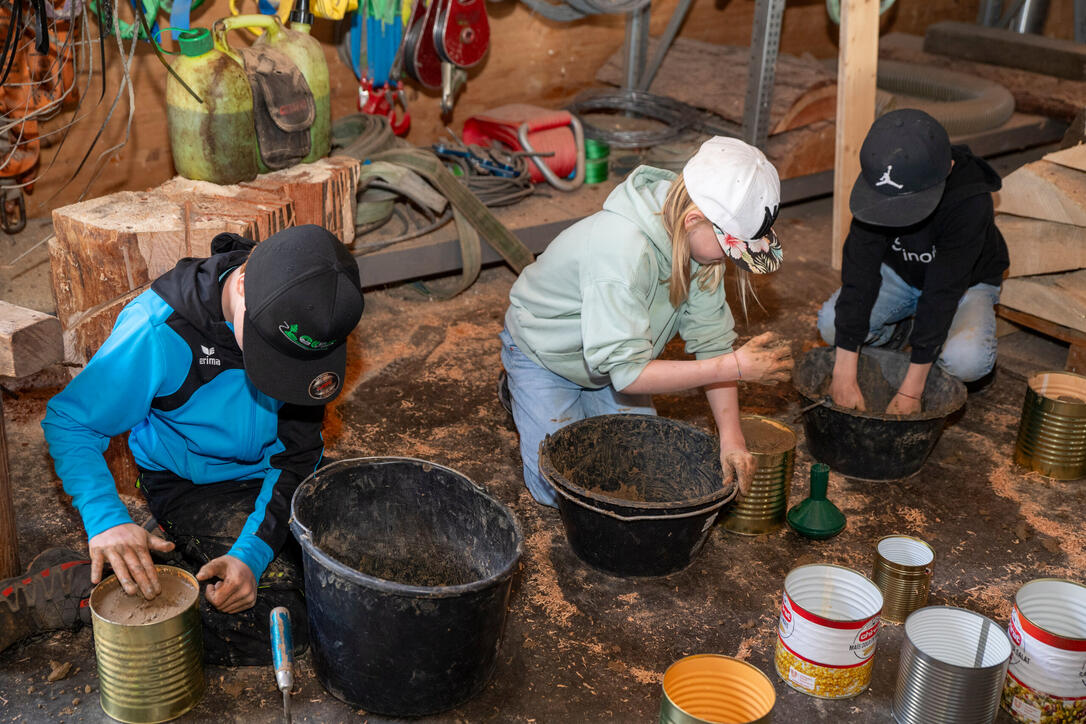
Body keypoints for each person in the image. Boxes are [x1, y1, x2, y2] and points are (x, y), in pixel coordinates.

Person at [1, 225, 364, 666]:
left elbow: (298, 456)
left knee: (347, 593)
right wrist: (104, 517)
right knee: (277, 622)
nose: (281, 375)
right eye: (273, 353)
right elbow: (72, 420)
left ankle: (157, 564)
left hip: (273, 481)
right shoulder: (159, 330)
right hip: (191, 484)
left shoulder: (302, 314)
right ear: (245, 283)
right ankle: (84, 589)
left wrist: (249, 557)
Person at [500, 136, 794, 508]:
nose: (728, 260)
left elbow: (712, 341)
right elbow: (631, 374)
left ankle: (564, 400)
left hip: (616, 360)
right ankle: (522, 387)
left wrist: (731, 437)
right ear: (694, 220)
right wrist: (735, 366)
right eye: (729, 248)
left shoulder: (702, 253)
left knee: (638, 467)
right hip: (545, 354)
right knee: (563, 488)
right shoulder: (621, 250)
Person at [816, 109, 1009, 416]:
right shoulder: (882, 176)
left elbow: (943, 292)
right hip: (901, 275)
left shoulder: (970, 201)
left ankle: (929, 351)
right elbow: (860, 274)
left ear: (948, 169)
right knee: (831, 326)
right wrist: (843, 373)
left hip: (965, 285)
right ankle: (900, 333)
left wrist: (910, 391)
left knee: (967, 361)